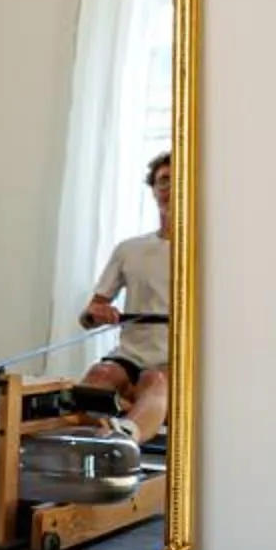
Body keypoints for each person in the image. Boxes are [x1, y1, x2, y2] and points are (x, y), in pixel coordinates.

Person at [78, 151, 172, 447]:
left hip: (174, 359)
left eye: (180, 180)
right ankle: (97, 444)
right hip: (131, 354)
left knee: (154, 381)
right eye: (164, 181)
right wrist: (97, 314)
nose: (171, 188)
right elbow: (89, 314)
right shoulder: (130, 249)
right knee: (99, 375)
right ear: (154, 190)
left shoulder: (210, 249)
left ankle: (121, 444)